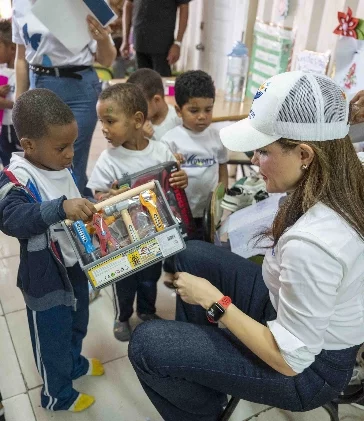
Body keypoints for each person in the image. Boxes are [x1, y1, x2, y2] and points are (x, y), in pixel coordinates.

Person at [128, 71, 364, 421]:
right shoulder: (346, 168)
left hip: (307, 371)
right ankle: (206, 373)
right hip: (281, 304)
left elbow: (290, 360)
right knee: (189, 254)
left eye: (264, 151)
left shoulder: (314, 242)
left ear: (304, 154)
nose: (254, 160)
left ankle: (206, 411)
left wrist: (216, 302)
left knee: (147, 346)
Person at [0, 89, 104, 413]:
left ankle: (73, 363)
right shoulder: (16, 177)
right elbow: (12, 218)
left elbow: (75, 197)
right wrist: (61, 208)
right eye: (63, 147)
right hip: (45, 277)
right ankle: (57, 395)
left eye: (74, 143)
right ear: (29, 145)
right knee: (51, 337)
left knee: (78, 321)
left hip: (75, 265)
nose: (71, 153)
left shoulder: (57, 162)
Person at [86, 83, 188, 341]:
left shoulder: (161, 150)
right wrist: (104, 197)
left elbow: (172, 182)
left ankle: (147, 311)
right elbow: (96, 194)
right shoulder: (108, 160)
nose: (104, 129)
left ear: (137, 120)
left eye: (110, 121)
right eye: (101, 121)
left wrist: (181, 179)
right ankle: (122, 318)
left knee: (149, 277)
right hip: (124, 240)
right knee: (125, 282)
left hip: (155, 233)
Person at [11, 0, 116, 195]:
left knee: (70, 159)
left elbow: (107, 59)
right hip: (39, 84)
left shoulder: (82, 2)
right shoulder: (19, 3)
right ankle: (46, 212)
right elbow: (20, 57)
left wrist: (102, 39)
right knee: (40, 159)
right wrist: (19, 102)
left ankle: (80, 217)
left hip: (80, 87)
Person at [161, 70, 229, 238]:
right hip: (180, 211)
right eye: (194, 110)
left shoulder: (217, 138)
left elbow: (222, 165)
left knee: (207, 247)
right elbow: (162, 179)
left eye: (208, 110)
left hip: (209, 211)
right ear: (178, 110)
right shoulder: (170, 141)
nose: (202, 116)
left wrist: (221, 197)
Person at [121, 0, 190, 77]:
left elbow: (184, 8)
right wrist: (125, 40)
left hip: (162, 44)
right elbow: (127, 5)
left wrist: (178, 43)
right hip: (139, 41)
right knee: (141, 82)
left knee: (162, 83)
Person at [127, 68, 181, 141]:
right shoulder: (138, 123)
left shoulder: (178, 120)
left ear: (157, 100)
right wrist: (141, 137)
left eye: (140, 105)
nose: (136, 110)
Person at [0, 18, 21, 167]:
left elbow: (22, 101)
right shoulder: (1, 71)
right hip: (3, 130)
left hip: (17, 129)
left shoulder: (22, 73)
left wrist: (5, 103)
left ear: (13, 48)